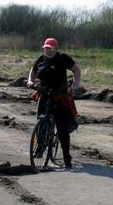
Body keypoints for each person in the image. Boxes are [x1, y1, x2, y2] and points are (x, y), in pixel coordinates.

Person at [26, 38, 81, 169]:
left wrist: (75, 84)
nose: (48, 51)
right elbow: (33, 72)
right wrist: (30, 81)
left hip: (59, 96)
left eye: (50, 48)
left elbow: (76, 70)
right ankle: (39, 149)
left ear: (56, 48)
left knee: (62, 130)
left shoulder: (63, 58)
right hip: (44, 94)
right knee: (40, 124)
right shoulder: (41, 59)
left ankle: (67, 158)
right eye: (46, 48)